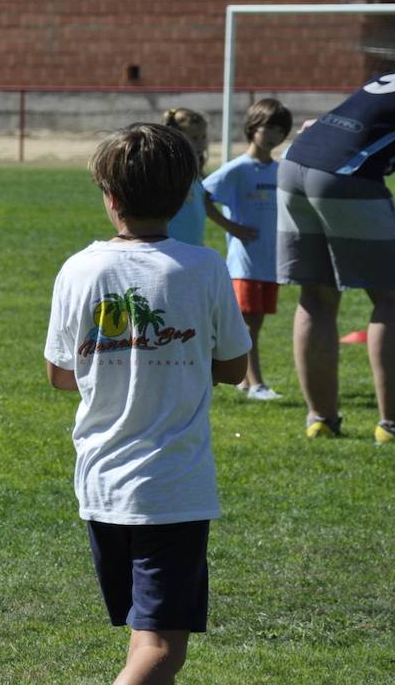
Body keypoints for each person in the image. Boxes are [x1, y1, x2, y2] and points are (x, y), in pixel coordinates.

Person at [45, 123, 250, 685]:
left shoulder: (78, 268)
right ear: (188, 193)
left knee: (144, 639)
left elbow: (61, 375)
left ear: (108, 196)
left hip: (101, 484)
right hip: (172, 487)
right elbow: (234, 368)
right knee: (161, 648)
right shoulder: (204, 268)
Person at [278, 42, 395, 443]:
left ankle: (320, 420)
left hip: (293, 164)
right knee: (394, 297)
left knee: (316, 295)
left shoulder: (391, 78)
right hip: (345, 174)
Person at [203, 98, 293, 401]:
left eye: (281, 130)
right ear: (252, 127)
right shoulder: (238, 169)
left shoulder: (280, 170)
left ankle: (243, 380)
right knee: (247, 325)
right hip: (246, 262)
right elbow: (203, 194)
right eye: (268, 127)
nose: (274, 136)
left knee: (257, 323)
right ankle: (256, 384)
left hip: (271, 260)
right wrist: (232, 228)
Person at [161, 108, 249, 247]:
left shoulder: (195, 174)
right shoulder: (169, 174)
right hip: (171, 250)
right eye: (194, 138)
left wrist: (231, 227)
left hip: (193, 248)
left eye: (203, 137)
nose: (201, 143)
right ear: (176, 138)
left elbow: (203, 203)